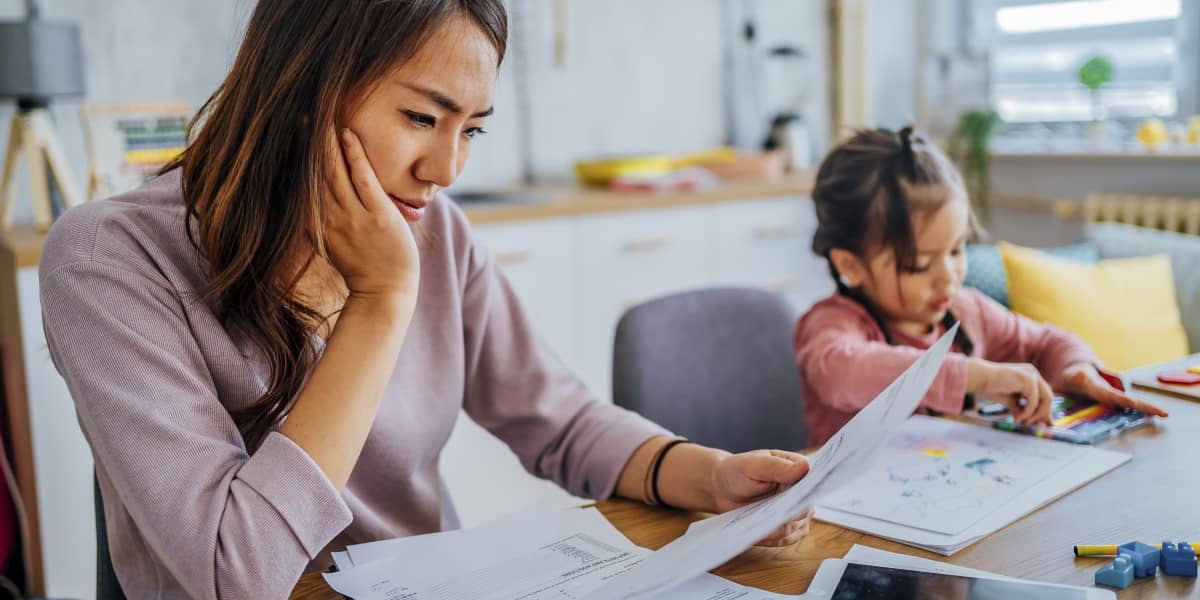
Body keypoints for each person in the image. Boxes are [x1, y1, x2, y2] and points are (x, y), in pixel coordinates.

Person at [39, 1, 813, 598]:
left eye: (471, 129)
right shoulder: (111, 260)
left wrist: (709, 477)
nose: (444, 168)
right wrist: (379, 302)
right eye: (420, 117)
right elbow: (236, 574)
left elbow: (563, 420)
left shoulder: (437, 230)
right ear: (303, 92)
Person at [794, 126, 1167, 445]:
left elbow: (1048, 341)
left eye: (957, 250)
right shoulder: (830, 324)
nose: (949, 276)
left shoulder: (967, 310)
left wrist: (1075, 369)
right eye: (919, 264)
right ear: (849, 265)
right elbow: (842, 372)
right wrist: (979, 375)